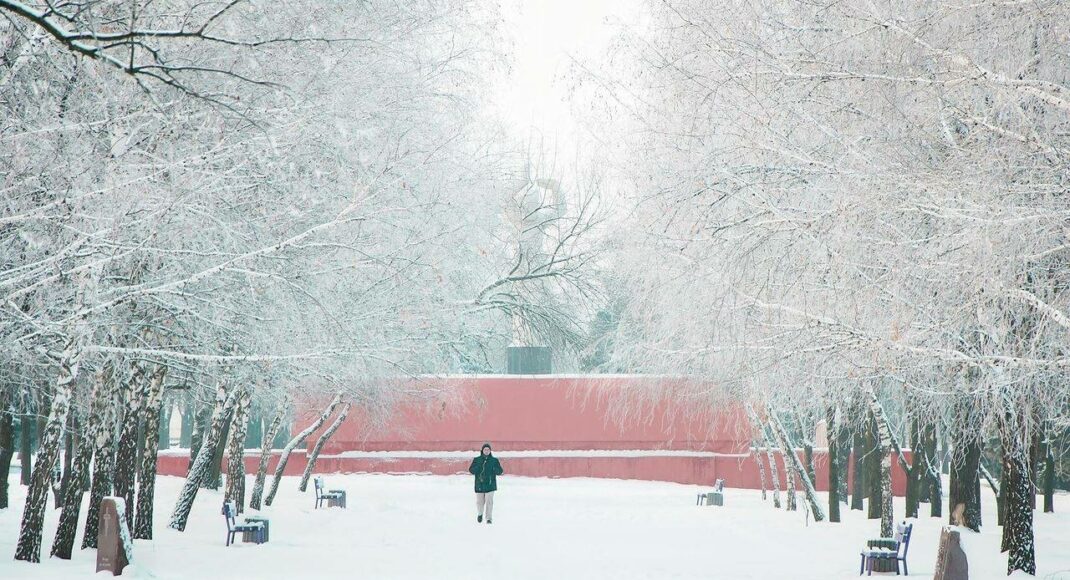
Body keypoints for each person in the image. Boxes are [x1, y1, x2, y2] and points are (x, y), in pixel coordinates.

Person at [468, 442, 503, 524]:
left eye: (488, 449)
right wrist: (477, 468)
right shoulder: (477, 460)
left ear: (490, 451)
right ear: (482, 450)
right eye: (485, 449)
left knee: (489, 502)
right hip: (479, 484)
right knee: (480, 502)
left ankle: (489, 518)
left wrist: (494, 469)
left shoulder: (494, 460)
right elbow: (471, 470)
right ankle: (480, 514)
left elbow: (500, 471)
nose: (486, 451)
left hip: (490, 485)